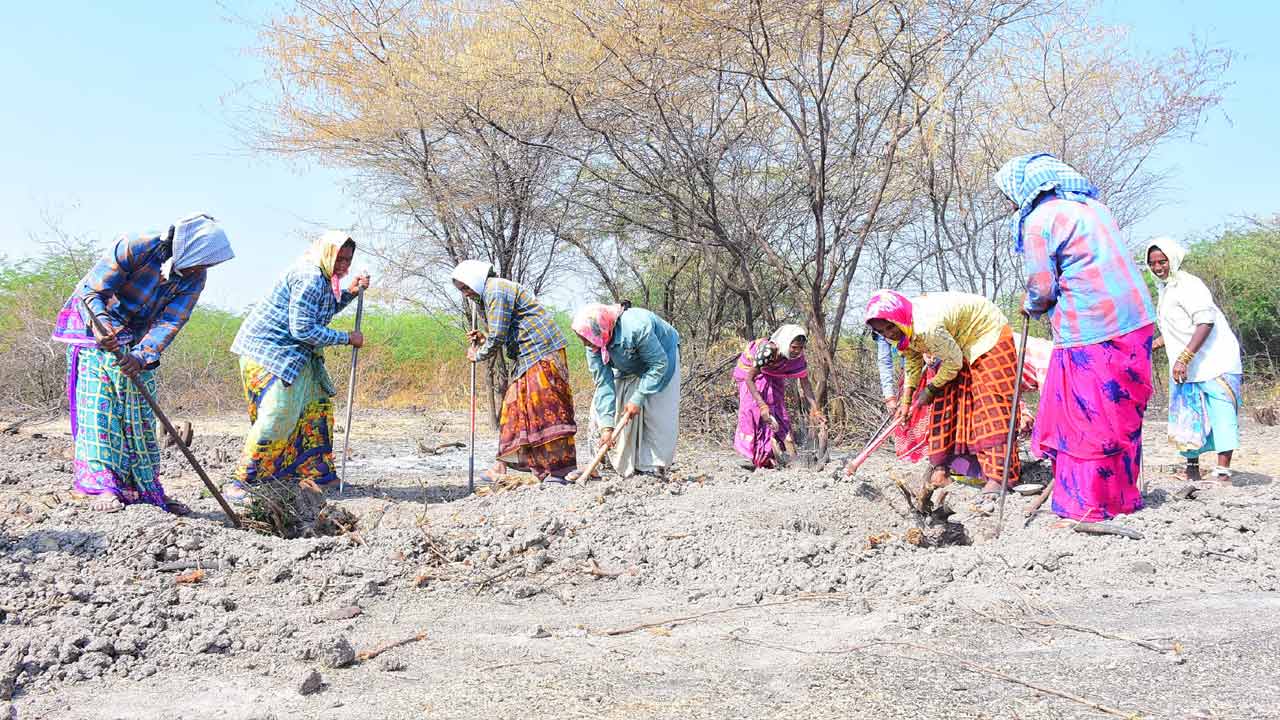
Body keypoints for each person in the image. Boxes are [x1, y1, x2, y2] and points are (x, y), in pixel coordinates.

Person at [994, 152, 1156, 522]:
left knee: (1086, 416)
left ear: (1024, 189)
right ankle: (1122, 498)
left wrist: (1031, 305)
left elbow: (1041, 286)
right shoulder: (1094, 208)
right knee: (1119, 412)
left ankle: (1087, 504)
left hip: (1090, 329)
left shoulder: (1038, 221)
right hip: (1137, 322)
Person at [50, 213, 234, 514]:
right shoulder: (137, 246)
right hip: (93, 329)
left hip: (136, 340)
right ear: (192, 247)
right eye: (204, 261)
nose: (205, 268)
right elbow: (92, 292)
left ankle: (145, 488)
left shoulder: (194, 277)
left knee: (139, 416)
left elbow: (172, 320)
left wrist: (142, 355)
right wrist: (103, 329)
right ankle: (104, 487)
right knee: (102, 411)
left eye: (208, 264)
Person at [227, 231, 369, 500]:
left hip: (297, 354)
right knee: (279, 415)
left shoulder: (324, 277)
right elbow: (303, 329)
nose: (344, 266)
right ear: (326, 253)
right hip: (270, 353)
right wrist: (346, 338)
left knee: (314, 408)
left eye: (348, 260)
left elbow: (321, 311)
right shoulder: (310, 277)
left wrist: (350, 292)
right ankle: (243, 481)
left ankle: (313, 475)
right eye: (339, 258)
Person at [864, 289, 1021, 502]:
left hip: (987, 334)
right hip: (958, 344)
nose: (889, 334)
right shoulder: (903, 331)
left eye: (891, 327)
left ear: (898, 317)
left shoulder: (927, 327)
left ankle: (999, 476)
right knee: (947, 403)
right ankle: (947, 468)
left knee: (990, 403)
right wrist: (906, 400)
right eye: (882, 332)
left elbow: (953, 363)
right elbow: (912, 361)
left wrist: (930, 389)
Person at [451, 260, 578, 482]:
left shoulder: (495, 290)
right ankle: (502, 466)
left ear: (475, 280)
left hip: (542, 352)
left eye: (466, 287)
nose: (466, 294)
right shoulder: (490, 293)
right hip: (525, 357)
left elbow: (498, 335)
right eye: (462, 290)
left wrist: (478, 354)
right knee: (514, 407)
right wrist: (483, 339)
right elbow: (501, 332)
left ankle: (559, 469)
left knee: (545, 407)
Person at [1145, 237, 1243, 482]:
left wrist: (1184, 358)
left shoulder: (1190, 285)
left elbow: (1205, 322)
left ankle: (1223, 473)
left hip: (1215, 361)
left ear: (1173, 260)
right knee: (1188, 414)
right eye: (1153, 263)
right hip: (1187, 366)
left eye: (1162, 261)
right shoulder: (1165, 289)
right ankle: (1192, 470)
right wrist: (1147, 347)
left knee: (1222, 414)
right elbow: (1175, 331)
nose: (1158, 268)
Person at [572, 302, 681, 479]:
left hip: (662, 358)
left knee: (656, 412)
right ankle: (606, 464)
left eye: (585, 338)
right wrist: (607, 427)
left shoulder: (637, 327)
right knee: (605, 413)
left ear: (602, 328)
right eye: (582, 338)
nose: (584, 342)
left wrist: (638, 398)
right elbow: (604, 384)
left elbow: (658, 364)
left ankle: (653, 467)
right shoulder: (594, 343)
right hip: (627, 361)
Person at [732, 324, 823, 468]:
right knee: (753, 412)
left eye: (800, 348)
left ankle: (778, 455)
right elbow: (750, 379)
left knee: (778, 412)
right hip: (751, 374)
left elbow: (805, 384)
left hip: (773, 375)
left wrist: (815, 409)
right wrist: (762, 405)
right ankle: (750, 455)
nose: (796, 351)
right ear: (787, 343)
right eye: (793, 347)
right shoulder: (769, 351)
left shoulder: (797, 358)